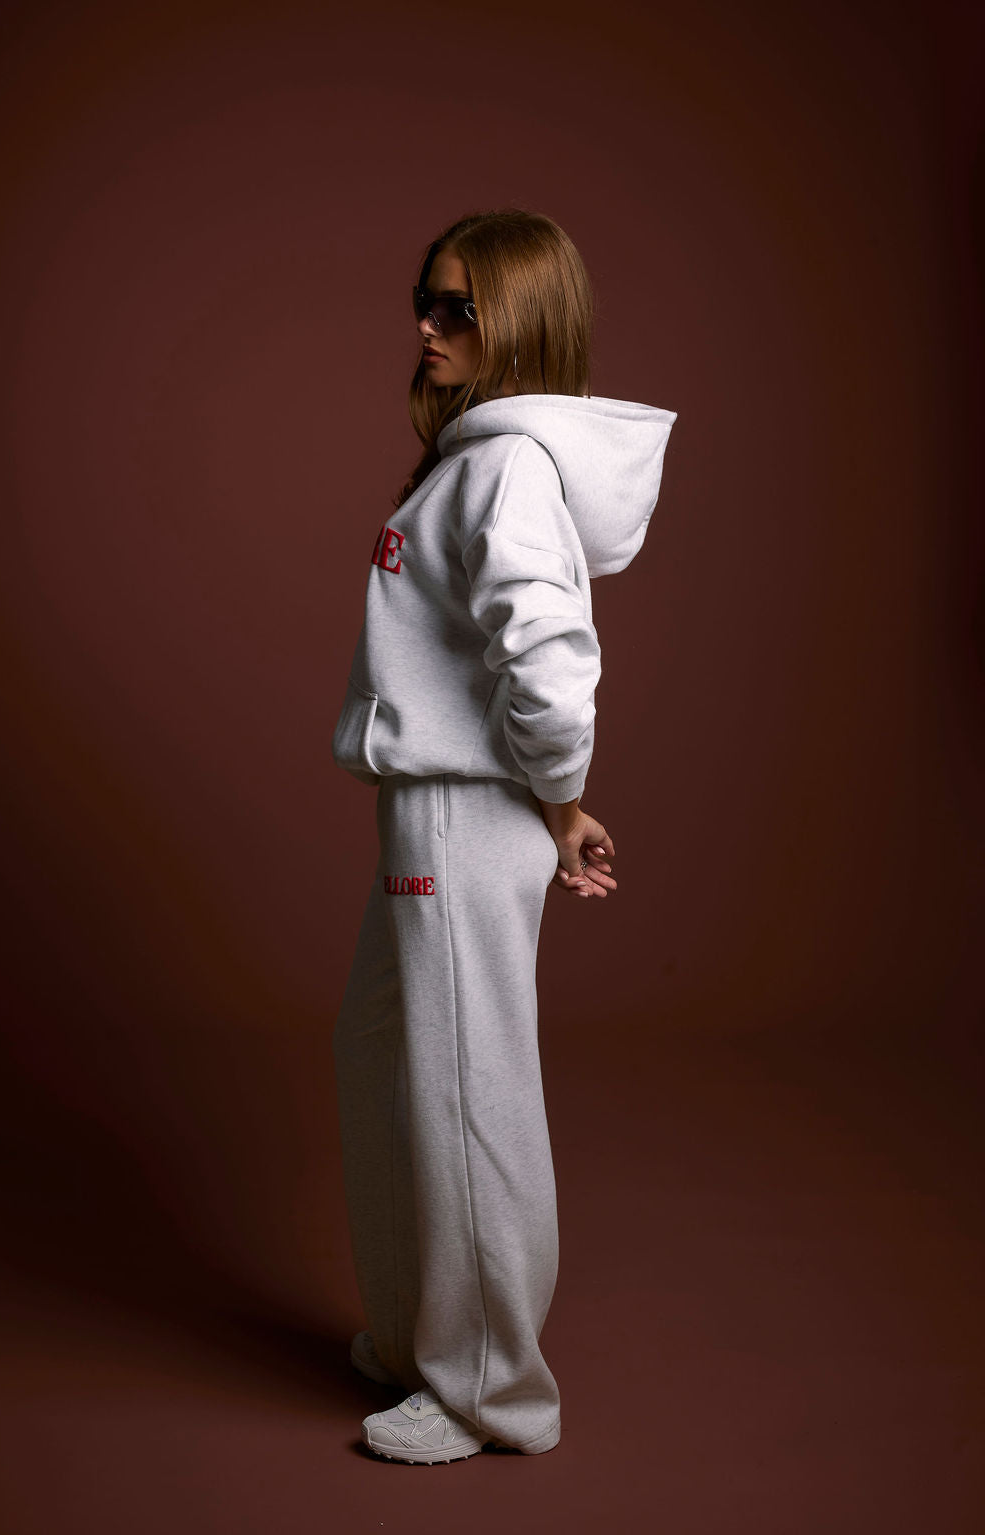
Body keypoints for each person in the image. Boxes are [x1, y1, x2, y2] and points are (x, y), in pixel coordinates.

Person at [330, 209, 677, 1465]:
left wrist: (554, 793)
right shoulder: (470, 457)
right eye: (424, 300)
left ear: (520, 324)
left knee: (465, 1086)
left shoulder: (506, 467)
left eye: (457, 309)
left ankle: (492, 1390)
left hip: (458, 808)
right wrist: (557, 806)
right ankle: (419, 1332)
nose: (427, 326)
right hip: (442, 802)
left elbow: (550, 663)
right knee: (384, 1061)